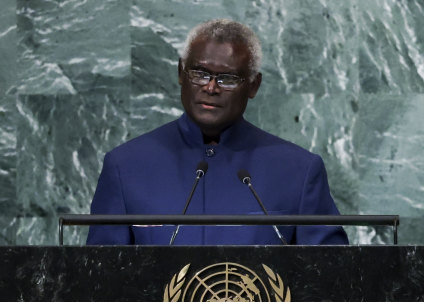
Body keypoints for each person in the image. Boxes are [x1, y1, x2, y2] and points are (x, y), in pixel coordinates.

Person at [87, 19, 348, 245]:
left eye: (228, 79)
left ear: (254, 86)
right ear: (181, 73)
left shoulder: (299, 170)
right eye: (200, 73)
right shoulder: (125, 167)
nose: (211, 87)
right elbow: (99, 281)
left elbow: (331, 282)